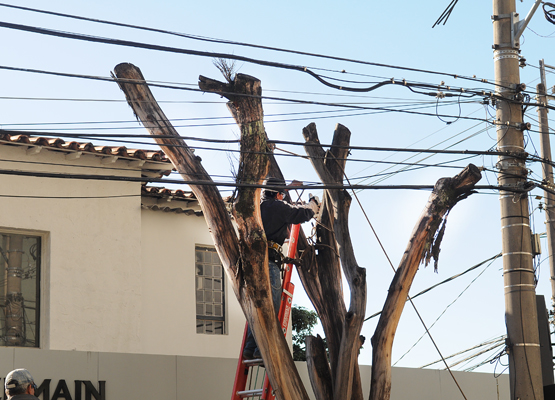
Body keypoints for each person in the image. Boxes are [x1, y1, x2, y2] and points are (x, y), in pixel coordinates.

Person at [242, 176, 319, 360]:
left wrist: (289, 189)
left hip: (251, 265)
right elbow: (299, 214)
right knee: (272, 305)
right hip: (269, 262)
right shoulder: (277, 207)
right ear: (277, 194)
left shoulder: (257, 207)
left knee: (258, 306)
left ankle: (250, 347)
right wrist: (313, 206)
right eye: (282, 194)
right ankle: (262, 351)